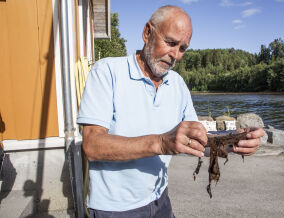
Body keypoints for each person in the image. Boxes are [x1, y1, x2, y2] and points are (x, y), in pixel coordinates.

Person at [77, 5, 265, 218]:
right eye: (170, 42)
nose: (175, 55)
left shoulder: (177, 83)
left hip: (160, 201)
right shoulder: (107, 71)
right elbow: (92, 146)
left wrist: (235, 142)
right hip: (114, 209)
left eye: (183, 48)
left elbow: (198, 140)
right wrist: (162, 142)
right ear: (148, 32)